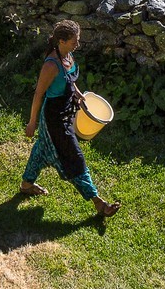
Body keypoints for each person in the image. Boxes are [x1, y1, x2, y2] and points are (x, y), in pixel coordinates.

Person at [20, 19, 120, 216]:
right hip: (53, 117)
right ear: (62, 41)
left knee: (43, 148)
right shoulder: (51, 65)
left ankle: (26, 184)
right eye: (74, 41)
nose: (78, 44)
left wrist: (77, 93)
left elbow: (69, 80)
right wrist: (32, 122)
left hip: (67, 110)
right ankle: (99, 202)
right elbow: (38, 94)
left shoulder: (68, 56)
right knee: (74, 157)